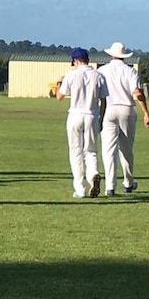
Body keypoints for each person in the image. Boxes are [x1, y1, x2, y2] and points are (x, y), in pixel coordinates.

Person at [97, 41, 149, 196]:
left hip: (108, 109)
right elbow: (138, 93)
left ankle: (109, 186)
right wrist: (146, 112)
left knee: (108, 150)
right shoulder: (130, 71)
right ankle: (128, 182)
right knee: (126, 149)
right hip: (127, 109)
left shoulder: (102, 70)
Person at [56, 48, 109, 199]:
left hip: (75, 115)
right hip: (92, 115)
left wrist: (59, 83)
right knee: (90, 150)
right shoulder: (98, 76)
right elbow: (104, 100)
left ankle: (80, 189)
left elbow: (59, 96)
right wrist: (101, 118)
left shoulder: (71, 75)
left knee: (75, 152)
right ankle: (93, 174)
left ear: (76, 60)